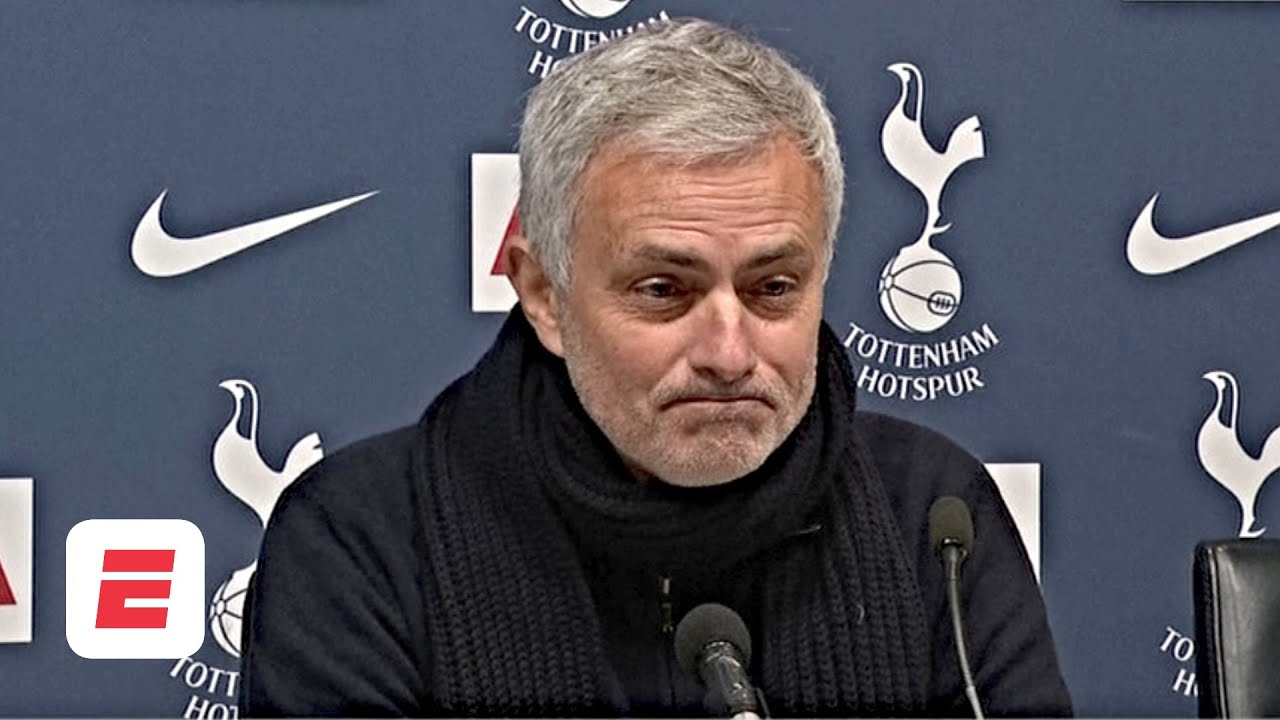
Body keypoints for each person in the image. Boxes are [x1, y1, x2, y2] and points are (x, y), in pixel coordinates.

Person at [239, 17, 1073, 718]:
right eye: (664, 290)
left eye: (773, 288)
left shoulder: (933, 517)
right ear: (543, 294)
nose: (728, 353)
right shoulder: (364, 541)